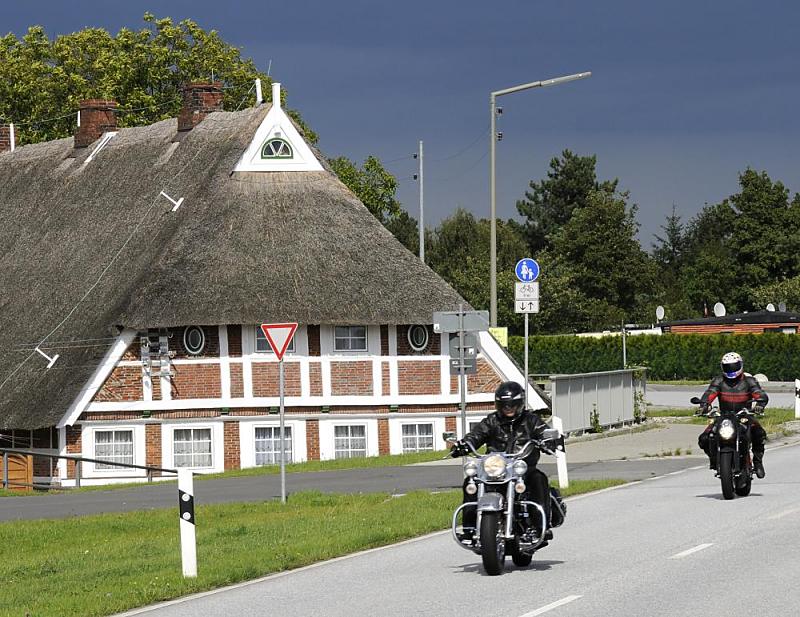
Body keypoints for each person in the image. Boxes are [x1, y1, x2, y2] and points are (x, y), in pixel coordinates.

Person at [451, 380, 555, 544]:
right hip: (495, 469)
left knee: (539, 479)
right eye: (505, 405)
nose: (509, 409)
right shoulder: (492, 421)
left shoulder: (531, 420)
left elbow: (544, 431)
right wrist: (463, 445)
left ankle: (541, 526)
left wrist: (549, 441)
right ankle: (470, 528)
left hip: (523, 468)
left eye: (512, 405)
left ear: (519, 404)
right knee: (470, 483)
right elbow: (476, 435)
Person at [698, 352, 768, 478]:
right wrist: (703, 405)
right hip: (723, 417)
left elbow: (759, 394)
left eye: (734, 366)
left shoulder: (749, 381)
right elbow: (710, 393)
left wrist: (760, 405)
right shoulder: (719, 380)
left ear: (741, 365)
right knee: (704, 438)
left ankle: (758, 462)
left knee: (759, 433)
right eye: (728, 367)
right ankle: (714, 461)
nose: (731, 369)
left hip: (744, 416)